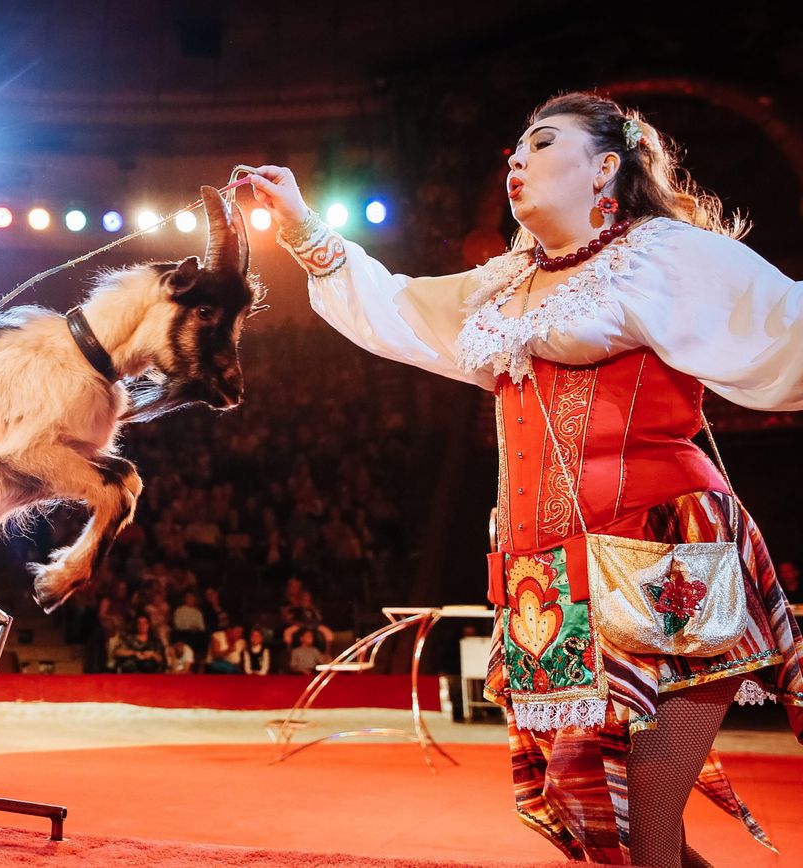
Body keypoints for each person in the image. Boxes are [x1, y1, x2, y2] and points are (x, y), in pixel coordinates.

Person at [250, 91, 803, 866]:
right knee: (595, 818)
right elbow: (399, 307)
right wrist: (302, 226)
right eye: (513, 148)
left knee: (643, 820)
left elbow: (790, 328)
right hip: (545, 577)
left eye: (541, 144)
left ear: (606, 167)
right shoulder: (502, 284)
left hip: (663, 550)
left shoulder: (664, 254)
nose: (516, 159)